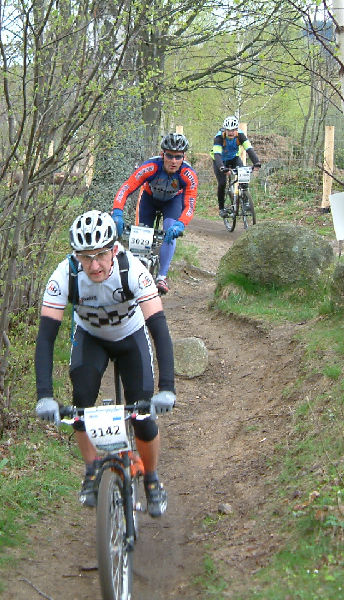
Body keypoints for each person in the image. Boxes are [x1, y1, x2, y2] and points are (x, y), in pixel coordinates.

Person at [34, 210, 176, 518]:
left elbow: (159, 327)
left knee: (142, 411)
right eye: (86, 257)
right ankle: (92, 469)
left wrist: (167, 388)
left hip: (130, 336)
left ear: (114, 249)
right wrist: (44, 394)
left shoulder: (133, 270)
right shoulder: (64, 275)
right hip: (91, 338)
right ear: (76, 255)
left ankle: (151, 478)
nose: (94, 266)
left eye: (100, 255)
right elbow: (46, 337)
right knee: (80, 403)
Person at [111, 132, 198, 295]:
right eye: (169, 156)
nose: (173, 161)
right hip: (149, 199)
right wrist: (117, 211)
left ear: (184, 157)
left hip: (173, 201)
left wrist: (181, 224)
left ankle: (162, 277)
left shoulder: (188, 174)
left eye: (178, 157)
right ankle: (136, 273)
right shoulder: (151, 166)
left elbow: (190, 204)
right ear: (162, 154)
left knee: (170, 229)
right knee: (140, 236)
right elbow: (127, 187)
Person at [212, 115, 261, 218]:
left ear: (237, 130)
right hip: (219, 161)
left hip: (234, 158)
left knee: (244, 175)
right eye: (228, 130)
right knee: (222, 183)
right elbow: (217, 154)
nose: (230, 132)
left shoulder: (241, 136)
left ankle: (246, 203)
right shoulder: (219, 137)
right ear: (225, 130)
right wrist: (222, 168)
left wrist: (256, 162)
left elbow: (249, 149)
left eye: (233, 130)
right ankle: (221, 208)